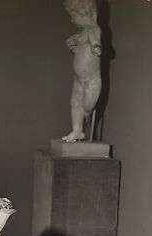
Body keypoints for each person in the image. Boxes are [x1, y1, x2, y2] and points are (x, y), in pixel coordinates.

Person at [62, 0, 102, 142]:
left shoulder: (94, 30)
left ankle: (87, 117)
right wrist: (72, 44)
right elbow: (74, 43)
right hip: (78, 78)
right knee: (75, 103)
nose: (72, 20)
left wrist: (96, 47)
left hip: (92, 78)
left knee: (87, 105)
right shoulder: (82, 32)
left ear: (87, 14)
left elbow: (97, 45)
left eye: (74, 16)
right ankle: (77, 131)